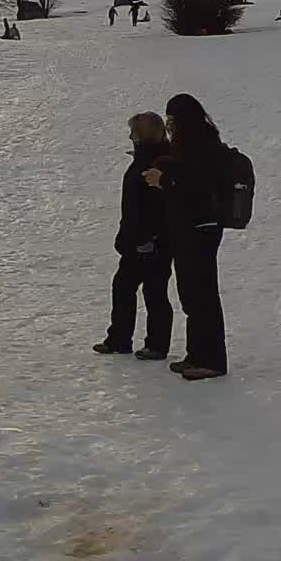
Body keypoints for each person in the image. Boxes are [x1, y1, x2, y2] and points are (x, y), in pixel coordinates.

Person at [143, 94, 230, 380]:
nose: (169, 127)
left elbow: (195, 188)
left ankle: (212, 359)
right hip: (189, 228)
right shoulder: (194, 143)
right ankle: (197, 354)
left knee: (202, 294)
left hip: (199, 228)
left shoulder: (201, 145)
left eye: (172, 121)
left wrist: (163, 180)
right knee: (192, 294)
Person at [96, 113, 174, 359]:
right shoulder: (146, 160)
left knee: (153, 292)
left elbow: (154, 206)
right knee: (125, 288)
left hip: (151, 242)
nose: (130, 136)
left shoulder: (156, 163)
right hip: (136, 240)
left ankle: (155, 344)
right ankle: (120, 339)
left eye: (134, 132)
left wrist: (148, 238)